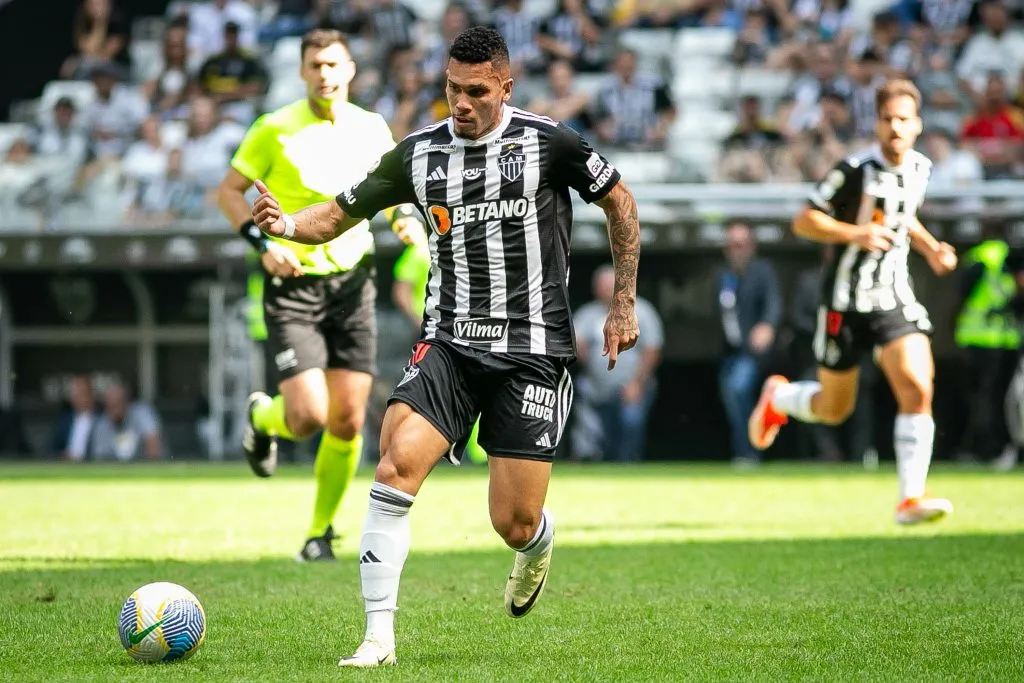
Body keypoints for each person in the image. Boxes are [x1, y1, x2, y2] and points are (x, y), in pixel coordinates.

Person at [252, 26, 640, 667]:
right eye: (452, 90)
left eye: (476, 92)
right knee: (394, 465)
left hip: (533, 350)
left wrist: (622, 303)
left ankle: (536, 546)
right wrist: (288, 225)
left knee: (512, 522)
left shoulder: (548, 143)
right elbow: (341, 213)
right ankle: (378, 638)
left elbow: (620, 203)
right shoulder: (416, 154)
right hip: (450, 343)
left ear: (505, 88)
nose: (460, 104)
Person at [216, 28, 423, 562]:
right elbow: (227, 192)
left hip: (352, 283)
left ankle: (320, 533)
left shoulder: (372, 127)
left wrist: (406, 221)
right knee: (306, 416)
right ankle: (264, 418)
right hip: (292, 284)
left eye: (334, 64)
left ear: (351, 69)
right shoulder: (273, 128)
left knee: (349, 420)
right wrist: (261, 243)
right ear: (303, 71)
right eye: (315, 65)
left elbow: (394, 190)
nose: (325, 74)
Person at [748, 79, 959, 525]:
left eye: (903, 119)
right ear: (876, 124)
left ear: (917, 124)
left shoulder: (921, 168)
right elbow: (804, 220)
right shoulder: (853, 169)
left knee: (919, 389)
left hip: (894, 298)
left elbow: (906, 217)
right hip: (845, 302)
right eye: (887, 120)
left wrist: (932, 248)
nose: (896, 128)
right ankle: (780, 397)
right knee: (833, 408)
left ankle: (910, 499)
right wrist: (855, 233)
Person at [392, 237, 489, 464]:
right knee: (429, 389)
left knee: (475, 385)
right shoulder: (419, 250)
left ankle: (475, 455)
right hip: (430, 334)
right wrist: (418, 321)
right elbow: (401, 291)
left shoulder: (470, 243)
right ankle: (425, 450)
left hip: (468, 331)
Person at [573, 264, 663, 462]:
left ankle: (629, 463)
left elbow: (652, 350)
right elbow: (576, 342)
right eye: (601, 285)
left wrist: (637, 384)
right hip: (597, 388)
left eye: (609, 285)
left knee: (630, 424)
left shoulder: (641, 310)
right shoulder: (588, 313)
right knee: (588, 410)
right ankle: (589, 460)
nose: (606, 289)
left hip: (632, 386)